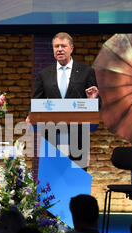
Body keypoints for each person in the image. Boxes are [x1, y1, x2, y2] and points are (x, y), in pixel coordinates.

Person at [28, 32, 100, 168]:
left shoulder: (86, 71)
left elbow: (97, 103)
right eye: (56, 46)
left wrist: (92, 100)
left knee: (77, 181)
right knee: (52, 181)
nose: (59, 49)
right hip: (52, 135)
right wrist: (30, 115)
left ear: (71, 48)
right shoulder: (44, 74)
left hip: (78, 136)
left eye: (63, 46)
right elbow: (36, 101)